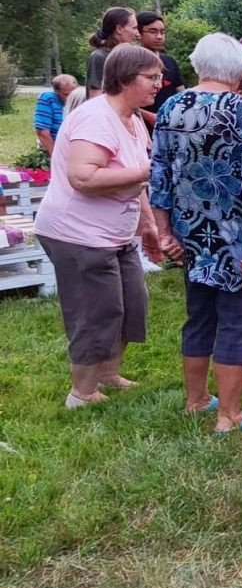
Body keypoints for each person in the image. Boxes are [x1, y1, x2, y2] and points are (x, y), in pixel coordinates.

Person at [149, 33, 242, 434]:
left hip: (190, 233)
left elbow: (159, 175)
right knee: (236, 320)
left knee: (199, 316)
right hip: (235, 235)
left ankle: (197, 399)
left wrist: (164, 232)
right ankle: (230, 415)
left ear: (198, 64)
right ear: (239, 69)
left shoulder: (171, 107)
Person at [34, 45, 165, 408]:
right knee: (96, 311)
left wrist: (147, 222)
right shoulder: (96, 118)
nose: (159, 83)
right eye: (151, 77)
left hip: (115, 234)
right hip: (77, 233)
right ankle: (82, 392)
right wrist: (149, 170)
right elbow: (83, 177)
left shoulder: (132, 118)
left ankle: (108, 373)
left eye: (159, 77)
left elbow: (135, 178)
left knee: (132, 304)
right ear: (124, 79)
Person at [136, 11, 186, 118]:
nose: (159, 36)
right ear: (138, 34)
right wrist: (151, 117)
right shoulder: (132, 63)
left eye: (162, 32)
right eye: (153, 32)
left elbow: (181, 93)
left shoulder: (169, 61)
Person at [86, 7, 139, 98]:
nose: (137, 33)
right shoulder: (99, 57)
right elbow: (95, 96)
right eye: (134, 28)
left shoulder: (131, 56)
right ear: (119, 29)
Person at [33, 75, 78, 154]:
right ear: (56, 91)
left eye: (73, 94)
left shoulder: (80, 98)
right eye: (66, 94)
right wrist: (55, 155)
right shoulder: (48, 98)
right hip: (55, 146)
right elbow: (42, 132)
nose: (71, 98)